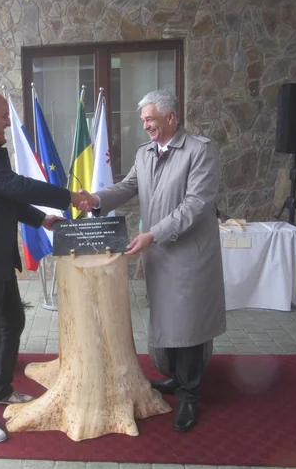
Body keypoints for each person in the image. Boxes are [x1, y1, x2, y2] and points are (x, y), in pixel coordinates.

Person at [76, 89, 226, 432]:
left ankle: (189, 397)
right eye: (143, 120)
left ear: (171, 118)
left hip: (189, 256)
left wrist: (152, 234)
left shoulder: (200, 151)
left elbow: (196, 205)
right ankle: (176, 380)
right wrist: (96, 198)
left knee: (187, 326)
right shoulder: (145, 153)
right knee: (167, 321)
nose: (145, 127)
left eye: (150, 120)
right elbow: (129, 186)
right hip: (158, 255)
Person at [0, 90, 84, 443]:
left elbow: (7, 197)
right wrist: (68, 195)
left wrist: (42, 220)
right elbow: (14, 185)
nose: (9, 119)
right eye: (5, 114)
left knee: (14, 321)